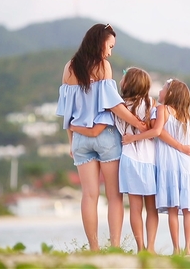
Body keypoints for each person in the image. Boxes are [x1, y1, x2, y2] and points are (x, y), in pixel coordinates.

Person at [71, 67, 190, 254]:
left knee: (135, 208)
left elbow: (100, 126)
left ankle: (140, 248)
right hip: (151, 159)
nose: (120, 81)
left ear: (128, 84)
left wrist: (74, 128)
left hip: (129, 159)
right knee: (151, 209)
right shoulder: (152, 103)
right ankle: (152, 248)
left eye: (123, 78)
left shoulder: (117, 106)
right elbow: (155, 130)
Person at [56, 23, 147, 251]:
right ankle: (115, 246)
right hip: (105, 136)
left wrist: (71, 143)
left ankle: (94, 249)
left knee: (89, 195)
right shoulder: (103, 66)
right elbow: (113, 104)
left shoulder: (69, 68)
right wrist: (137, 122)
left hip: (80, 139)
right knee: (114, 196)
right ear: (100, 42)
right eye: (110, 46)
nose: (110, 52)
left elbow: (68, 112)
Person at [123, 78, 190, 255]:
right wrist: (182, 147)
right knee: (187, 208)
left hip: (169, 163)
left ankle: (176, 249)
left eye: (164, 88)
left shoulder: (162, 109)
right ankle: (188, 248)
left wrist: (132, 138)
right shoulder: (186, 116)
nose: (160, 91)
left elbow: (159, 132)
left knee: (173, 209)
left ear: (171, 93)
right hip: (186, 164)